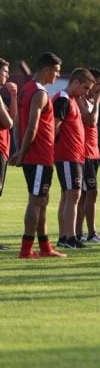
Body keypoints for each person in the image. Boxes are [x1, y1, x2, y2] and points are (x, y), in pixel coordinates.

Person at [11, 52, 66, 259]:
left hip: (35, 157)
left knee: (42, 200)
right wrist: (22, 152)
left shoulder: (26, 90)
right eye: (56, 71)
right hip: (39, 156)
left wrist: (19, 149)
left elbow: (17, 124)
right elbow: (32, 128)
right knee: (35, 201)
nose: (57, 76)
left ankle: (45, 247)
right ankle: (26, 250)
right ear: (46, 70)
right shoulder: (40, 93)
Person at [52, 68, 95, 249]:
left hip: (74, 154)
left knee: (68, 196)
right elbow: (54, 127)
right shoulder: (63, 98)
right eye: (85, 88)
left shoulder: (71, 100)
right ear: (75, 82)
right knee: (73, 195)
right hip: (68, 155)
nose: (86, 92)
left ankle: (64, 237)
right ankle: (70, 237)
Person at [76, 68, 100, 244]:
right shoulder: (81, 100)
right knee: (88, 193)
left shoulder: (89, 100)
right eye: (97, 84)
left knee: (86, 194)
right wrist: (96, 103)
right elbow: (91, 120)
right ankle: (88, 232)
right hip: (84, 153)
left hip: (93, 153)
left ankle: (81, 232)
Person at [0, 58, 17, 250]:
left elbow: (11, 118)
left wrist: (13, 96)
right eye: (5, 71)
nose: (7, 75)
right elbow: (9, 123)